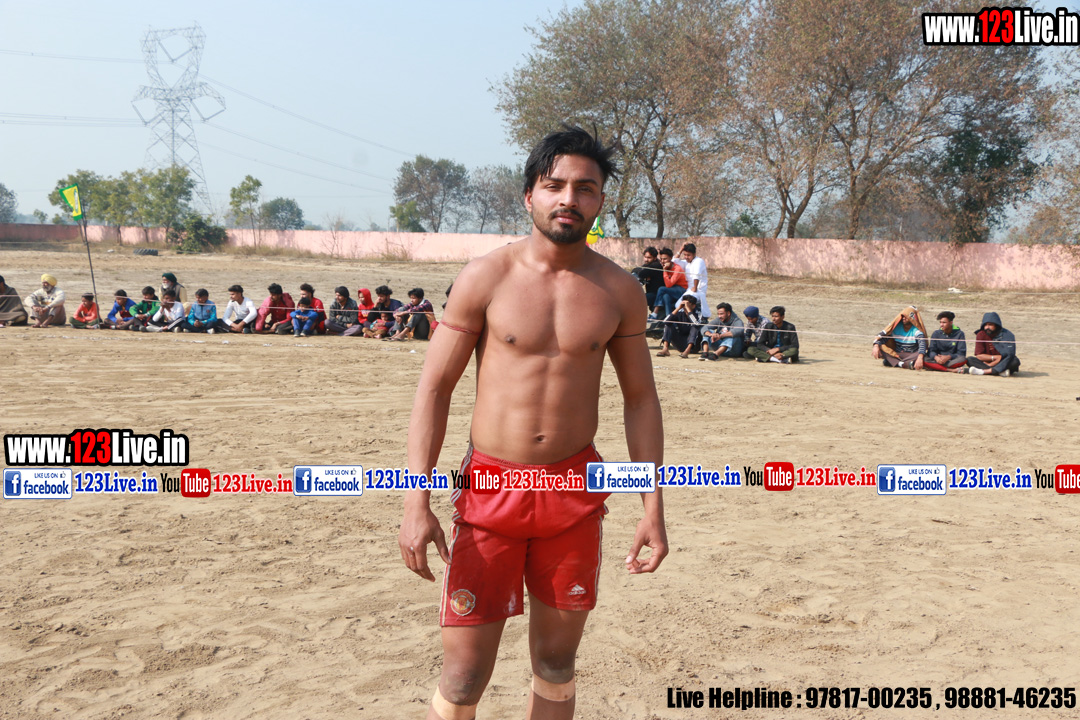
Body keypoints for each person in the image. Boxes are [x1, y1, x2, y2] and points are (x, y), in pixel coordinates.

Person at [399, 126, 666, 720]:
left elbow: (640, 399)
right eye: (554, 185)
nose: (569, 198)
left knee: (555, 662)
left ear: (600, 201)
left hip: (573, 492)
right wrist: (416, 502)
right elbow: (435, 389)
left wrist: (653, 507)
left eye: (585, 188)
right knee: (464, 675)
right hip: (490, 490)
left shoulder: (620, 291)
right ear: (529, 196)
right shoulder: (485, 277)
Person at [966, 312, 1020, 376]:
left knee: (1014, 361)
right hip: (987, 361)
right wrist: (994, 358)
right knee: (970, 360)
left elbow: (1009, 355)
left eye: (990, 325)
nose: (987, 327)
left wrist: (993, 363)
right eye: (985, 325)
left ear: (996, 325)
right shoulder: (981, 334)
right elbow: (979, 355)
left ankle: (985, 371)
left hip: (1003, 362)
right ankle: (1000, 372)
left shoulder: (1007, 334)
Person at [656, 294, 703, 359]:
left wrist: (688, 310)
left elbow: (696, 323)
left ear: (693, 306)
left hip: (693, 346)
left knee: (694, 327)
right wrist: (678, 308)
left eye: (687, 304)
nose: (685, 306)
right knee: (668, 325)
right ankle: (665, 349)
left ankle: (687, 351)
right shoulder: (680, 312)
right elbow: (665, 321)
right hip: (681, 342)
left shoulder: (698, 313)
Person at [651, 248, 688, 319]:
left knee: (661, 289)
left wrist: (664, 270)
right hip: (672, 289)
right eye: (661, 259)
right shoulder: (665, 266)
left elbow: (668, 284)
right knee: (666, 296)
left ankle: (655, 312)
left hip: (681, 290)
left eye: (665, 259)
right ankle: (669, 318)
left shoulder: (677, 269)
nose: (662, 261)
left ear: (671, 258)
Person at [680, 242, 710, 319]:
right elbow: (674, 261)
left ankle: (698, 318)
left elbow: (696, 275)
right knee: (678, 305)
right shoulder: (686, 262)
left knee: (685, 304)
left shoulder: (699, 261)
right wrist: (681, 249)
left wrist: (695, 287)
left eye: (688, 255)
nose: (686, 257)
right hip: (690, 290)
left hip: (698, 290)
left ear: (694, 254)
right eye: (685, 255)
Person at [632, 246, 664, 310]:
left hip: (656, 295)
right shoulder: (648, 265)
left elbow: (642, 273)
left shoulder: (656, 265)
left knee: (635, 300)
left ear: (655, 258)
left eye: (649, 257)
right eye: (645, 257)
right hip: (651, 293)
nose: (646, 259)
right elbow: (635, 270)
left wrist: (642, 271)